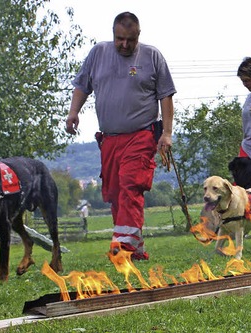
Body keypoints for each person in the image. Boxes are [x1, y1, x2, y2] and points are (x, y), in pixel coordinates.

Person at [65, 12, 176, 260]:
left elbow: (166, 95)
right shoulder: (98, 53)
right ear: (113, 34)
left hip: (141, 136)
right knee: (115, 193)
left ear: (139, 36)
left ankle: (123, 247)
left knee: (130, 185)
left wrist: (167, 133)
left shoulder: (152, 56)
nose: (124, 45)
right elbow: (82, 85)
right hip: (110, 139)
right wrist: (73, 112)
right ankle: (134, 247)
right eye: (119, 39)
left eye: (130, 40)